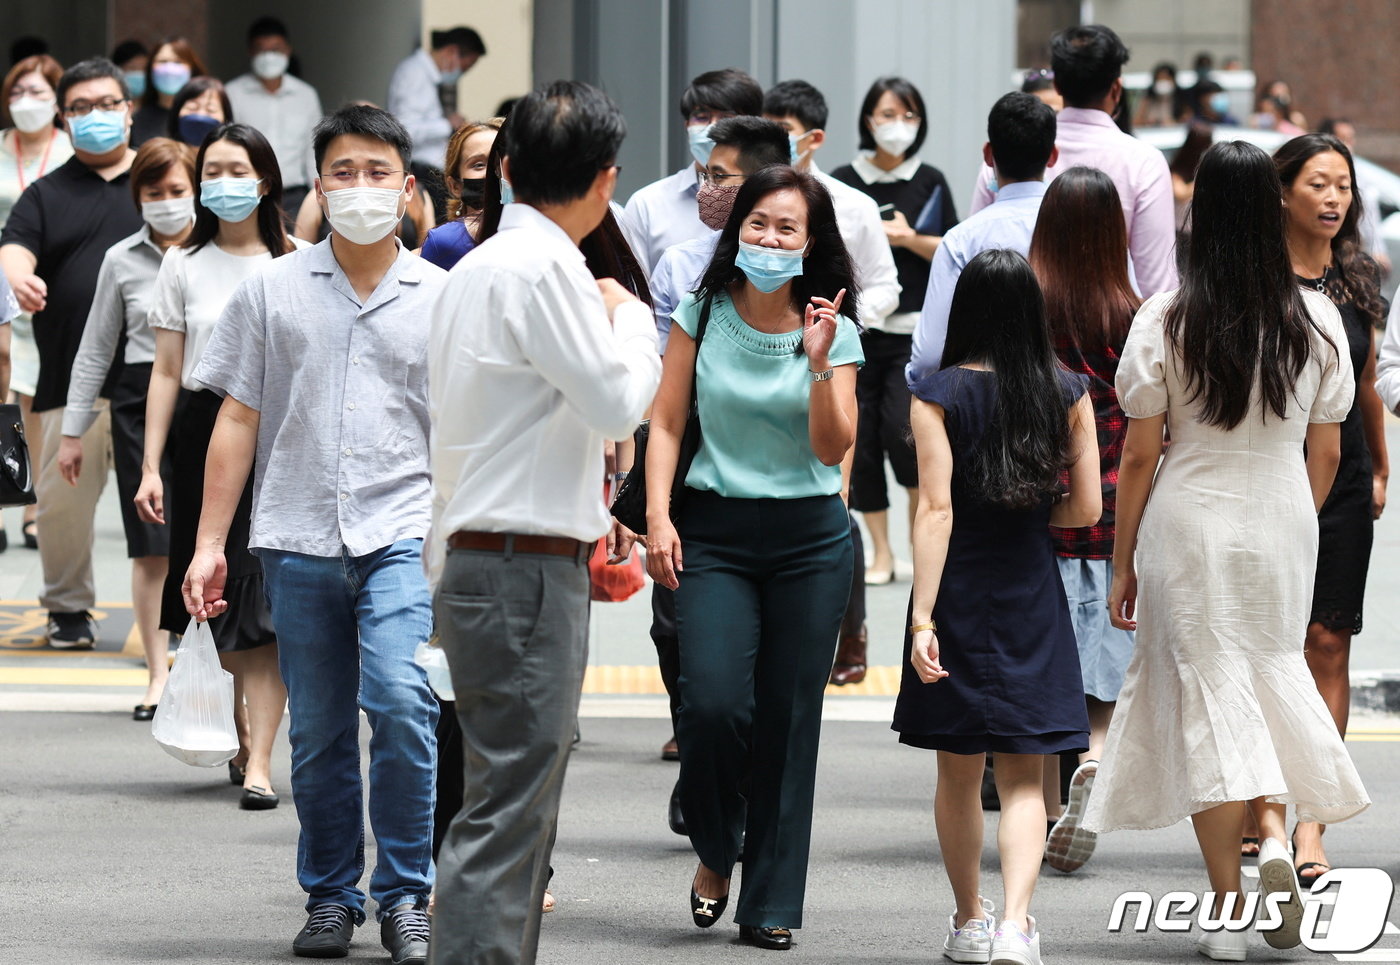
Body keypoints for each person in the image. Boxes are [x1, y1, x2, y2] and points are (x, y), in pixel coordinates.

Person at [1085, 141, 1370, 963]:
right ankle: (1276, 832)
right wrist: (1295, 518)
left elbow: (1140, 453)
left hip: (1190, 512)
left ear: (1199, 212)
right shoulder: (1317, 317)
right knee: (1267, 677)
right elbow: (1327, 452)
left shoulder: (1168, 316)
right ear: (1273, 208)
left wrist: (1123, 555)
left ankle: (1227, 906)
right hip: (1283, 513)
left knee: (1208, 697)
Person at [180, 104, 445, 963]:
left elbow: (463, 430)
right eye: (343, 172)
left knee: (403, 707)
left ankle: (406, 891)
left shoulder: (442, 298)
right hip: (295, 536)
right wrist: (209, 541)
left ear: (407, 190)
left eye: (378, 173)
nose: (360, 188)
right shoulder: (272, 289)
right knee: (320, 729)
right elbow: (238, 417)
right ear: (317, 186)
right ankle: (331, 894)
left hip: (402, 534)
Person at [427, 81, 658, 965]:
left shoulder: (477, 266)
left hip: (486, 553)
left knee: (508, 801)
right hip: (522, 562)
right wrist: (631, 317)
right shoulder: (549, 268)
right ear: (605, 181)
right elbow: (616, 399)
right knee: (510, 809)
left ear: (510, 169)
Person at [646, 164, 861, 952]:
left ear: (811, 243)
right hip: (714, 532)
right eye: (758, 224)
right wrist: (660, 515)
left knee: (787, 721)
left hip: (810, 539)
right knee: (712, 707)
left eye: (787, 228)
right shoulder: (700, 310)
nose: (770, 240)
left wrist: (815, 360)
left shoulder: (834, 325)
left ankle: (769, 899)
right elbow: (666, 421)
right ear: (737, 231)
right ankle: (715, 844)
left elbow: (834, 447)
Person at [897, 248, 1098, 965]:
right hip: (1030, 588)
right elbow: (1086, 506)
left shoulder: (935, 392)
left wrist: (922, 618)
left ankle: (968, 920)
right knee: (1023, 774)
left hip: (957, 591)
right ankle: (1018, 923)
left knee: (958, 771)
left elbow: (935, 510)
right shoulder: (1067, 390)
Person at [136, 123, 294, 811]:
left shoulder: (297, 260)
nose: (223, 182)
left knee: (263, 600)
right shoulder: (182, 262)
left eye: (238, 169)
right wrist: (149, 464)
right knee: (214, 598)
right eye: (213, 171)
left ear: (264, 181)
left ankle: (260, 758)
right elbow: (167, 369)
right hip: (204, 435)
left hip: (281, 435)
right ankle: (242, 734)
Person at [1275, 132, 1387, 887]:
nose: (1333, 198)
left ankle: (1310, 824)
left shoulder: (1358, 282)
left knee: (1326, 642)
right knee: (1262, 648)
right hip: (1267, 476)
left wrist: (1379, 464)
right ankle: (1257, 809)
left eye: (1342, 186)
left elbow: (1370, 380)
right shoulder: (1254, 281)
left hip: (1341, 479)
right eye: (1318, 183)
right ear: (1282, 192)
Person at [0, 57, 144, 647]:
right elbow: (13, 248)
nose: (96, 117)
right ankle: (66, 610)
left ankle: (179, 615)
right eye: (81, 108)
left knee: (165, 505)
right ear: (65, 117)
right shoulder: (45, 192)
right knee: (61, 508)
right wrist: (19, 279)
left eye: (108, 104)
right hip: (68, 380)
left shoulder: (160, 179)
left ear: (128, 110)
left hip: (152, 381)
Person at [1025, 167, 1140, 874]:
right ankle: (1092, 760)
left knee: (1040, 671)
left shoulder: (1024, 303)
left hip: (1038, 506)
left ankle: (1037, 814)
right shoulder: (1131, 311)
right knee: (1101, 663)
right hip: (1110, 507)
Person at [58, 137, 192, 719]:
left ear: (198, 190)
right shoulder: (121, 258)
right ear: (137, 198)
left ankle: (217, 667)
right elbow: (94, 351)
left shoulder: (223, 249)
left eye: (177, 191)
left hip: (216, 398)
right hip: (139, 402)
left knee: (212, 542)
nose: (166, 201)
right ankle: (157, 676)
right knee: (152, 548)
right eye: (153, 192)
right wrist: (71, 430)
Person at [831, 75, 957, 605]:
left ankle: (914, 543)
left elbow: (951, 247)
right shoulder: (842, 181)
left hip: (912, 332)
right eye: (886, 115)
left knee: (905, 436)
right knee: (858, 444)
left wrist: (908, 239)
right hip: (856, 330)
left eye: (908, 116)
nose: (897, 126)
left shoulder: (929, 179)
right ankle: (880, 552)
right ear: (867, 120)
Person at [968, 24, 1178, 299]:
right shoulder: (1144, 163)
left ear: (1057, 85)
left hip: (1015, 332)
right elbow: (1157, 288)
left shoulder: (1009, 151)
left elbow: (975, 252)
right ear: (1116, 89)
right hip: (1112, 337)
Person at [909, 92, 1057, 380]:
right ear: (1053, 156)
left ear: (988, 155)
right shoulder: (1086, 230)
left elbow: (929, 355)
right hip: (1079, 406)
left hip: (985, 409)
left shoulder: (962, 240)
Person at [1, 53, 72, 552]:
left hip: (48, 289)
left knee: (34, 401)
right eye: (17, 93)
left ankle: (29, 505)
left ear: (58, 102)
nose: (26, 103)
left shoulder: (72, 152)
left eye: (38, 94)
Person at [622, 68, 765, 275]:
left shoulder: (777, 200)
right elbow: (632, 288)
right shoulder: (648, 205)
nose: (712, 128)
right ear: (687, 124)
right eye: (702, 116)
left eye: (727, 116)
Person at [225, 17, 324, 217]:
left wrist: (319, 196)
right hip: (248, 192)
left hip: (295, 196)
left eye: (276, 49)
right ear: (251, 52)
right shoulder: (232, 93)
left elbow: (313, 149)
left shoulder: (306, 95)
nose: (269, 56)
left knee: (299, 247)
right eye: (262, 49)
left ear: (288, 50)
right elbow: (226, 146)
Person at [387, 26, 486, 224]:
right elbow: (405, 130)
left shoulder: (426, 77)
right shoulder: (414, 74)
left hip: (432, 172)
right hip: (423, 172)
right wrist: (448, 125)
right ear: (451, 52)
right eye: (464, 67)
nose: (461, 73)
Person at [418, 118, 500, 271]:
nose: (492, 173)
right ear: (455, 186)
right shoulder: (444, 242)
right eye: (479, 165)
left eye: (499, 162)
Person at [1318, 118, 1391, 275]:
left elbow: (1370, 216)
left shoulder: (1360, 175)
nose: (1333, 199)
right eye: (1342, 139)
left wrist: (1378, 250)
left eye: (1344, 187)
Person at [131, 37, 206, 147]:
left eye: (178, 62)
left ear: (191, 69)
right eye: (162, 61)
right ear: (150, 70)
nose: (169, 68)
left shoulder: (203, 117)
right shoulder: (137, 120)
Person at [166, 77, 233, 147]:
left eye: (211, 110)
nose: (201, 115)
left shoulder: (232, 156)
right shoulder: (162, 154)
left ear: (226, 117)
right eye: (192, 107)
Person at [1133, 62, 1183, 127]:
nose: (1163, 82)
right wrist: (1149, 122)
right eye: (1160, 79)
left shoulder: (1181, 99)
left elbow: (1187, 120)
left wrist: (1174, 122)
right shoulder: (1147, 100)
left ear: (1173, 80)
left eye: (1166, 78)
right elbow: (1135, 121)